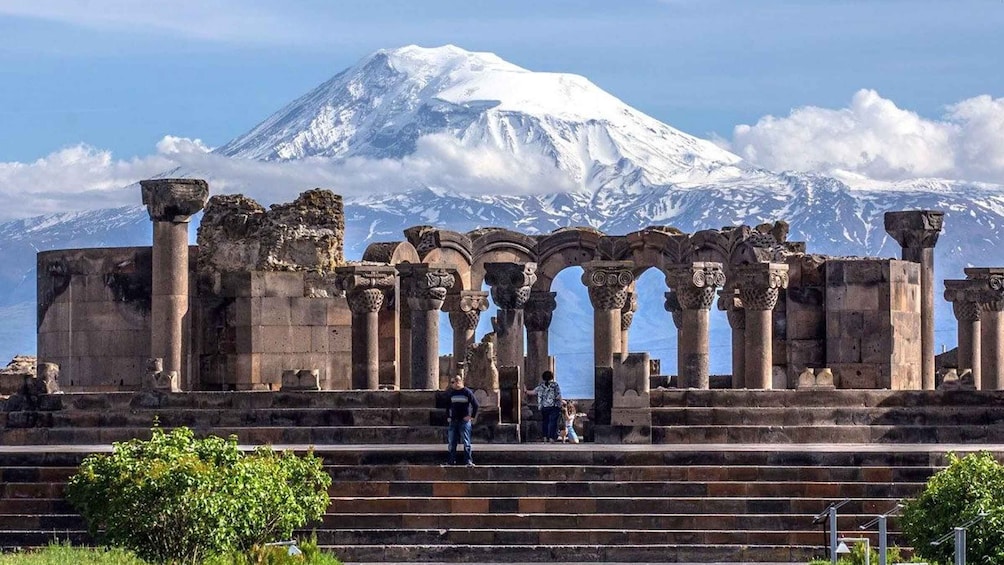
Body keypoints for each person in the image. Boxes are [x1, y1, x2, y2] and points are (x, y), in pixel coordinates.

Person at [445, 375, 479, 466]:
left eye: (453, 382)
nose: (452, 384)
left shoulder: (467, 392)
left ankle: (468, 460)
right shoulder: (451, 393)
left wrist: (471, 417)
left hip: (464, 421)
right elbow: (447, 406)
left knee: (466, 442)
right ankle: (451, 461)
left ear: (458, 382)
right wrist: (448, 416)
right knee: (452, 442)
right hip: (453, 420)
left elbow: (475, 405)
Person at [526, 370, 562, 442]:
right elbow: (558, 396)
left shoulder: (541, 386)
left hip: (544, 407)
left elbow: (532, 392)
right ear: (552, 377)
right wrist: (561, 403)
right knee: (553, 422)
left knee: (545, 422)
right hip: (554, 406)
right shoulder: (555, 385)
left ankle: (545, 437)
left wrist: (525, 390)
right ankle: (551, 438)